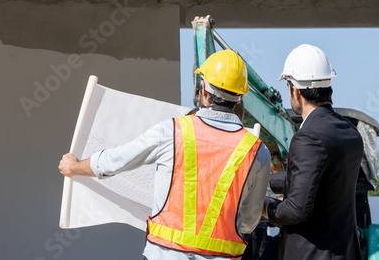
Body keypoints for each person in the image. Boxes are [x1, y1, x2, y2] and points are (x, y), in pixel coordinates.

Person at [58, 50, 271, 259]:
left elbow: (116, 161)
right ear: (241, 97)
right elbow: (249, 221)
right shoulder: (256, 152)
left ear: (203, 89)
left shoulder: (172, 131)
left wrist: (74, 167)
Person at [264, 44, 363, 260]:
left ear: (295, 90)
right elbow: (317, 181)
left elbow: (295, 210)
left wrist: (263, 207)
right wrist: (265, 180)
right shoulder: (349, 131)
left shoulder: (308, 137)